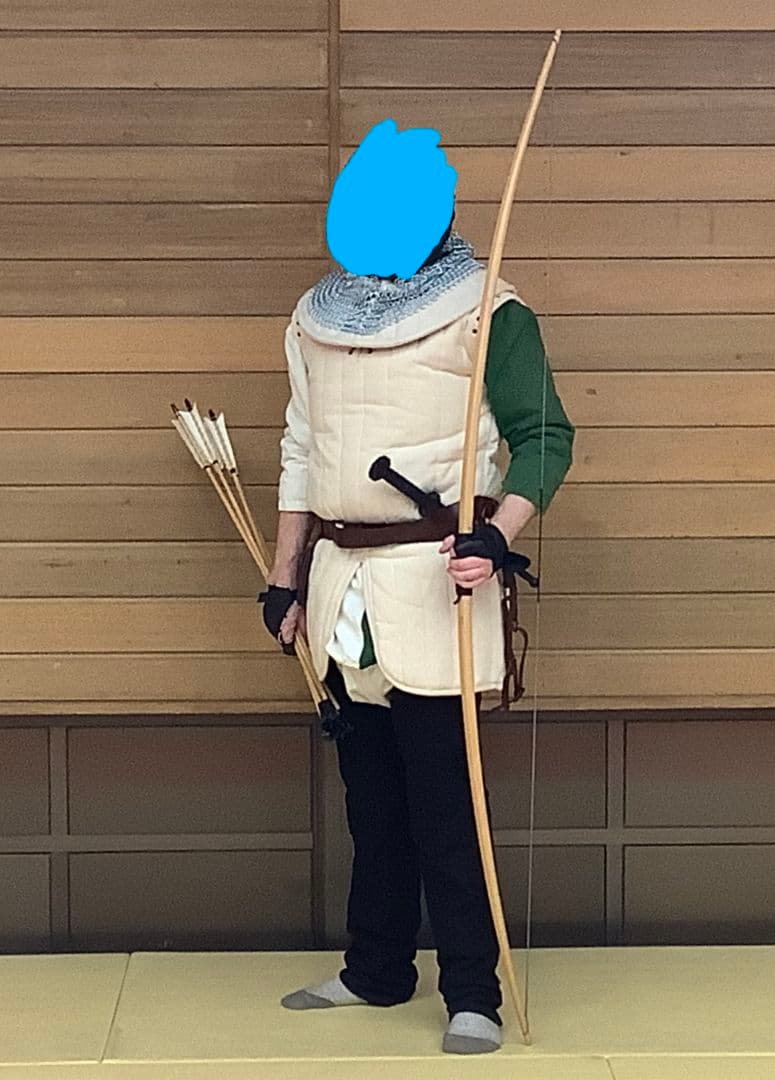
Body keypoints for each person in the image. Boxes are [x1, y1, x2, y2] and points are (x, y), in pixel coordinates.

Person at [260, 118, 574, 1055]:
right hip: (340, 585)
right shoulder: (313, 317)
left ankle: (471, 990)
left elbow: (545, 437)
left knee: (447, 803)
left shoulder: (489, 310)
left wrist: (495, 535)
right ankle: (376, 967)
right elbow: (302, 451)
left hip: (435, 581)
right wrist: (285, 577)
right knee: (371, 802)